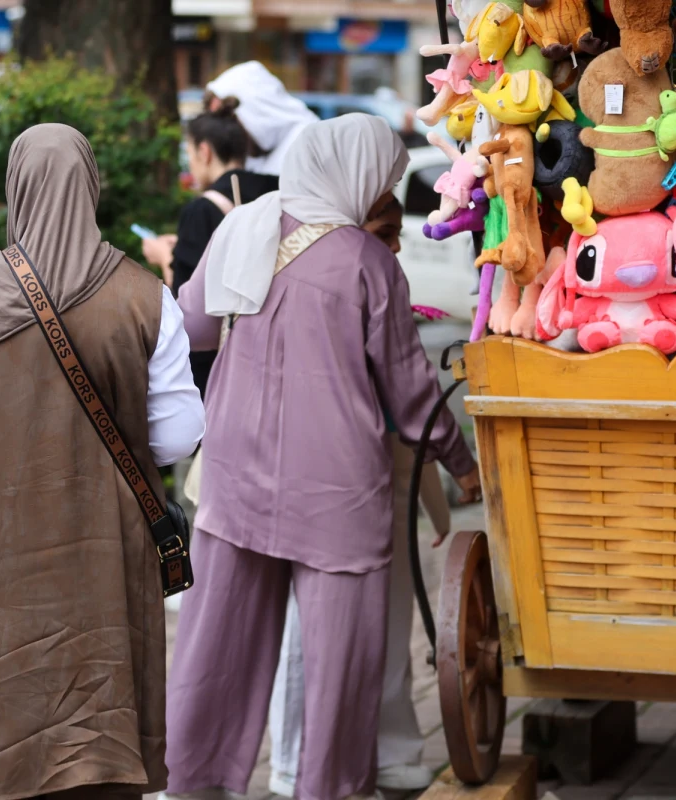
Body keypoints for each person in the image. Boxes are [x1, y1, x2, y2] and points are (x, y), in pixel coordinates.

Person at [164, 115, 481, 800]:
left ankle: (194, 786)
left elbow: (188, 326)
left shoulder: (240, 229)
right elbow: (411, 389)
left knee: (215, 650)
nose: (385, 190)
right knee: (341, 668)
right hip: (335, 493)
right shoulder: (367, 263)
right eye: (385, 179)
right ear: (357, 176)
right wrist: (462, 463)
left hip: (233, 477)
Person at [0, 124, 205, 800]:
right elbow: (181, 434)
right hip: (103, 558)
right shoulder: (142, 295)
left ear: (15, 188)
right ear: (90, 187)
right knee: (97, 740)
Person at [268, 192, 457, 795]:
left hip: (385, 473)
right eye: (384, 232)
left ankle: (391, 749)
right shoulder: (300, 269)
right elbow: (411, 389)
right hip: (316, 484)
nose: (396, 246)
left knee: (392, 617)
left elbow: (408, 388)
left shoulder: (376, 272)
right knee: (314, 635)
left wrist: (444, 485)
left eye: (398, 233)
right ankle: (298, 766)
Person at [143, 100, 278, 395]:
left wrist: (164, 256)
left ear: (204, 152)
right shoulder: (275, 190)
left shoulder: (201, 210)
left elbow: (185, 303)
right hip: (272, 344)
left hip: (217, 363)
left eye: (190, 153)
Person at [204, 61, 319, 176]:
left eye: (225, 117)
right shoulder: (258, 150)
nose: (222, 131)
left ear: (253, 109)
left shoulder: (311, 143)